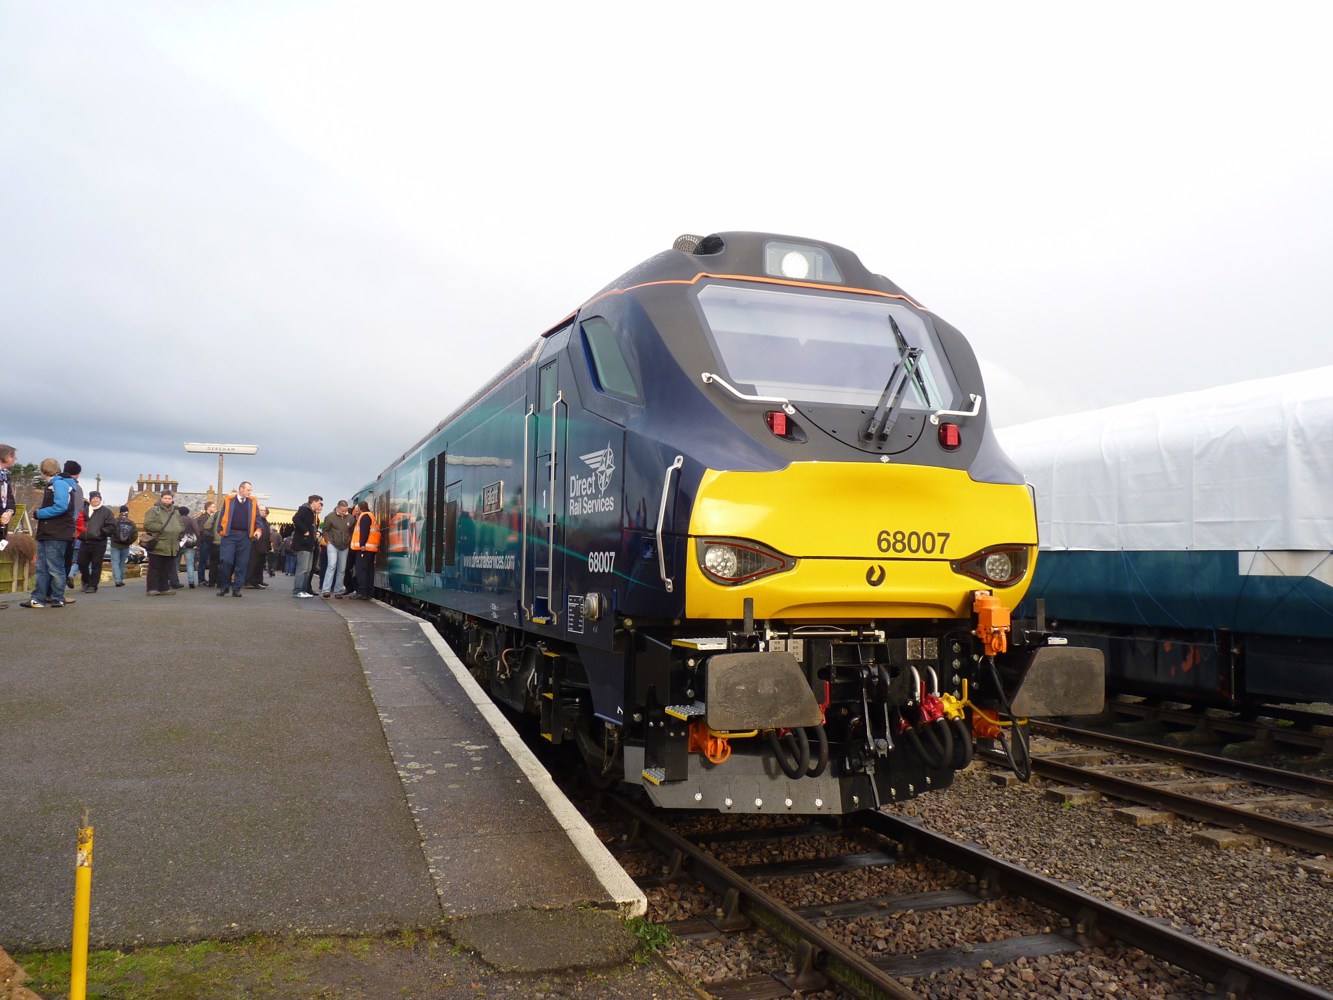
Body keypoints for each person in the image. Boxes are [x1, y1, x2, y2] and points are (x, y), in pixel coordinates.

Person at [20, 458, 79, 608]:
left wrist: (40, 513)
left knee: (54, 567)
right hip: (51, 532)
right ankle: (39, 598)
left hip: (56, 532)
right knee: (44, 567)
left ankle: (56, 598)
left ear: (43, 470)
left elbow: (61, 506)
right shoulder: (59, 483)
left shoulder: (59, 484)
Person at [215, 481, 263, 597]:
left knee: (242, 563)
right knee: (226, 561)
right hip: (229, 535)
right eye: (248, 490)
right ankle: (224, 586)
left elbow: (257, 518)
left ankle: (236, 589)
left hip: (245, 536)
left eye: (250, 490)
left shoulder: (252, 502)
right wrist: (220, 530)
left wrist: (258, 530)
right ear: (241, 489)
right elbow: (222, 515)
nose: (250, 492)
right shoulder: (229, 500)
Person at [141, 490, 183, 596]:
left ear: (172, 500)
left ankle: (164, 588)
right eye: (165, 498)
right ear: (161, 498)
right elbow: (148, 524)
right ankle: (152, 588)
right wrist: (163, 528)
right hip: (159, 543)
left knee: (166, 568)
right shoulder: (154, 510)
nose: (167, 500)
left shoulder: (176, 512)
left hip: (171, 545)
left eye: (169, 498)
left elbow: (181, 524)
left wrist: (180, 530)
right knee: (155, 568)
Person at [77, 490, 114, 593]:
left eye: (97, 498)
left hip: (99, 542)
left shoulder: (106, 512)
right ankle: (85, 581)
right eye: (93, 498)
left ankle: (93, 585)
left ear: (100, 499)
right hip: (85, 541)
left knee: (96, 565)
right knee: (81, 563)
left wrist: (101, 532)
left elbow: (112, 526)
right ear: (90, 500)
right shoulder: (84, 510)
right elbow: (78, 522)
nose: (95, 500)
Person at [320, 499, 354, 598]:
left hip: (345, 546)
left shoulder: (351, 518)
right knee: (331, 565)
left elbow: (352, 530)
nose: (344, 512)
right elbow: (325, 530)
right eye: (342, 511)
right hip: (333, 544)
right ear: (338, 508)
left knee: (342, 569)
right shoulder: (330, 517)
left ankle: (338, 591)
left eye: (346, 510)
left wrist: (349, 540)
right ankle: (326, 590)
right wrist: (328, 540)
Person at [291, 495, 323, 598]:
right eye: (319, 503)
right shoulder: (304, 509)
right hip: (303, 544)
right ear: (314, 502)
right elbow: (295, 519)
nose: (320, 505)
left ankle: (304, 590)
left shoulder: (312, 513)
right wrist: (305, 530)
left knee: (308, 569)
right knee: (302, 569)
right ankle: (298, 590)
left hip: (309, 545)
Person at [347, 498, 379, 600]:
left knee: (361, 570)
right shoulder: (371, 515)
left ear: (360, 508)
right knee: (369, 570)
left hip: (364, 548)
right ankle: (368, 593)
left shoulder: (364, 516)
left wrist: (362, 544)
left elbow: (364, 531)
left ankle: (362, 592)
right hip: (371, 548)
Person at [107, 504, 136, 587]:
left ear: (120, 512)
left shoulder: (115, 521)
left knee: (115, 562)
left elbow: (110, 532)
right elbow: (135, 535)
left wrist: (113, 539)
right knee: (122, 563)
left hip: (115, 545)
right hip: (126, 546)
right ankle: (122, 579)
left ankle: (117, 580)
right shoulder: (131, 523)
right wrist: (129, 542)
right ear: (127, 512)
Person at [245, 506, 272, 588]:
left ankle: (258, 580)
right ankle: (249, 581)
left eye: (265, 510)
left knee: (260, 565)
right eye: (262, 510)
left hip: (263, 546)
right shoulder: (255, 520)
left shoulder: (265, 521)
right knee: (253, 564)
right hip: (255, 546)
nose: (264, 512)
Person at [176, 505, 200, 589]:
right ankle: (191, 582)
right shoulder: (191, 520)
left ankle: (175, 581)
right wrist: (197, 542)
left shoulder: (176, 519)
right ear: (188, 512)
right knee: (190, 564)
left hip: (177, 543)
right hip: (189, 544)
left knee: (176, 564)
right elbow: (197, 531)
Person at [195, 500, 218, 587]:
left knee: (210, 561)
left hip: (209, 542)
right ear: (208, 507)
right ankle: (201, 580)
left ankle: (209, 579)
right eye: (213, 507)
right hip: (204, 542)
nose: (215, 508)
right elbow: (201, 530)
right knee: (203, 561)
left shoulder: (211, 516)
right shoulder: (204, 517)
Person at [0, 444, 17, 554]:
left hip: (2, 526)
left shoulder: (5, 477)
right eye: (13, 456)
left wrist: (9, 512)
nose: (15, 459)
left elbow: (10, 498)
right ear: (6, 457)